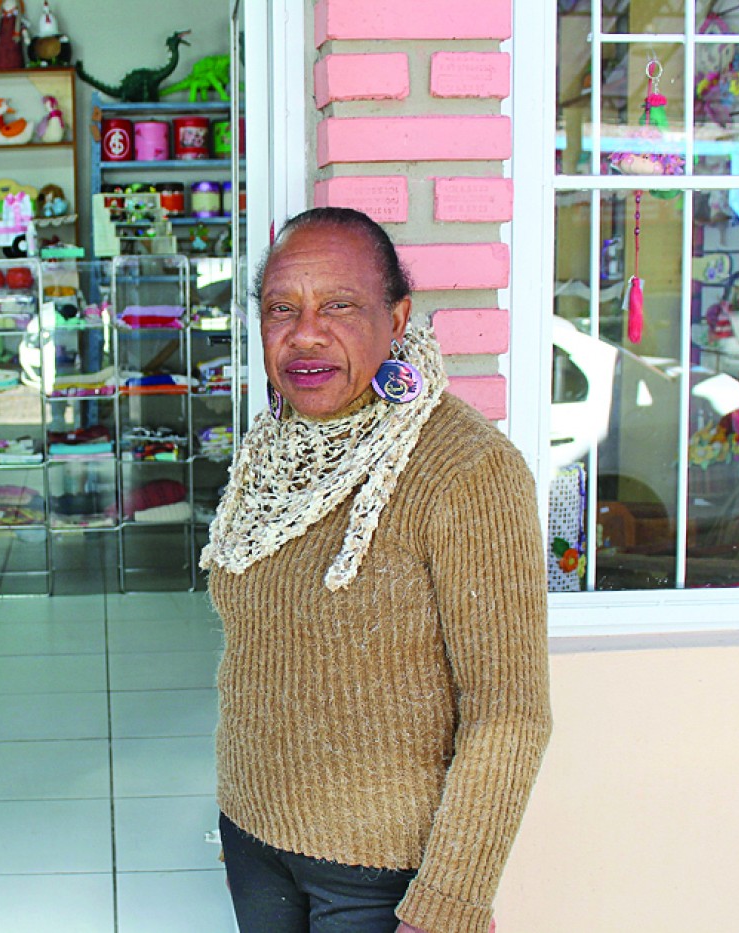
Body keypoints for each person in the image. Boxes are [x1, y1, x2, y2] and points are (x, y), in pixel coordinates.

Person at [201, 207, 551, 933]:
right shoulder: (274, 449)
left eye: (339, 306)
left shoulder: (467, 470)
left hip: (382, 875)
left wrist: (447, 904)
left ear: (396, 319)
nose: (304, 334)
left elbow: (509, 712)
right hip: (254, 835)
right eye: (281, 309)